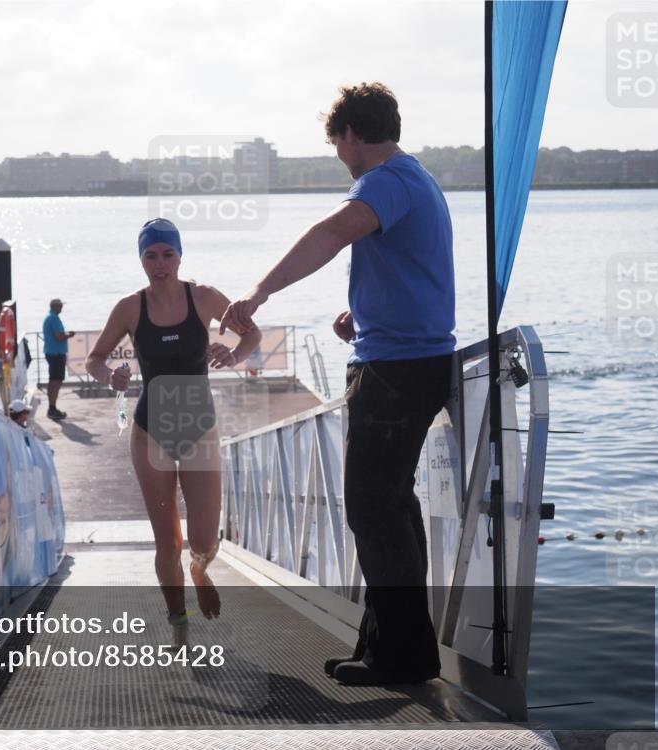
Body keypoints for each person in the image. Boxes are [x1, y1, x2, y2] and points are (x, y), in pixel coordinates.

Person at [221, 82, 455, 686]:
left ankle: (404, 656)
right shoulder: (417, 180)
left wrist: (258, 293)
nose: (337, 154)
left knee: (374, 508)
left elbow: (328, 235)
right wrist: (366, 313)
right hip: (408, 358)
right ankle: (389, 647)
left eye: (335, 141)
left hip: (396, 372)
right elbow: (412, 265)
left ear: (351, 134)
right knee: (391, 506)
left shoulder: (383, 182)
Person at [85, 218, 261, 639]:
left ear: (180, 256)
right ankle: (178, 621)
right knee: (168, 540)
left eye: (168, 254)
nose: (160, 263)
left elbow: (252, 334)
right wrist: (110, 376)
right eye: (151, 255)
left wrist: (235, 355)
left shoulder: (203, 297)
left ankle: (200, 571)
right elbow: (94, 359)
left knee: (203, 536)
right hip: (151, 431)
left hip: (198, 426)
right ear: (141, 258)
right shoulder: (130, 307)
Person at [42, 298, 75, 420]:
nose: (62, 308)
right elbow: (59, 336)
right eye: (60, 306)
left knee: (54, 380)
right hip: (55, 354)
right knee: (55, 381)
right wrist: (69, 335)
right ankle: (52, 408)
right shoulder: (53, 318)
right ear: (54, 306)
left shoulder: (50, 318)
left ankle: (52, 407)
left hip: (53, 353)